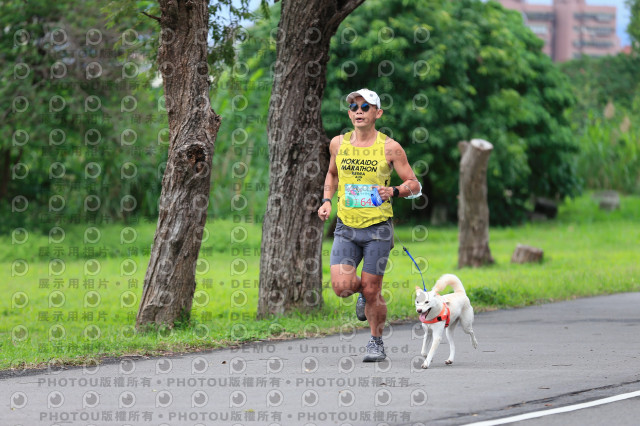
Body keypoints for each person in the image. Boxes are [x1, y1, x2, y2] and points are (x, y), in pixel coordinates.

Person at [318, 88, 421, 362]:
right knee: (342, 288)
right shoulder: (338, 143)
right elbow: (331, 174)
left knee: (373, 289)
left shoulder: (390, 147)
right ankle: (362, 295)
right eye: (354, 107)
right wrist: (327, 200)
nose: (359, 111)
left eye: (365, 107)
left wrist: (395, 191)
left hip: (378, 229)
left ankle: (376, 342)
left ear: (378, 113)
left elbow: (415, 184)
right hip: (346, 228)